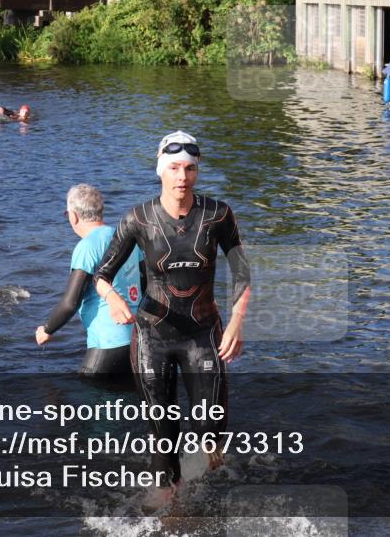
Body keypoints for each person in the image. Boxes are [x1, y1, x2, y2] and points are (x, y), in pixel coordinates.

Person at [94, 130, 251, 505]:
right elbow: (101, 275)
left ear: (197, 171)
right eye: (175, 168)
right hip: (153, 335)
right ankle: (171, 500)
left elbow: (243, 272)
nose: (183, 176)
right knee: (162, 428)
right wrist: (113, 298)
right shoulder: (138, 218)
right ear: (161, 170)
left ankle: (202, 484)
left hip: (204, 333)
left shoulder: (217, 214)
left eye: (190, 168)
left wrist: (237, 321)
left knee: (212, 433)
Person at [35, 185, 145, 384]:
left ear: (73, 216)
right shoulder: (127, 238)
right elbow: (146, 284)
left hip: (108, 342)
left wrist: (47, 329)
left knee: (84, 404)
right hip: (138, 342)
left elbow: (71, 302)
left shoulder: (87, 247)